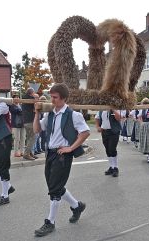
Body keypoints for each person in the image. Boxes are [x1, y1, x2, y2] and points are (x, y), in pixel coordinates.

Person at [33, 83, 90, 237]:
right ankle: (77, 206)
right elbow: (37, 130)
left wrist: (70, 148)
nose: (52, 100)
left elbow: (85, 132)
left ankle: (49, 222)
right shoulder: (49, 114)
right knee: (55, 186)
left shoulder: (73, 115)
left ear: (64, 98)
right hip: (50, 153)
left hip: (63, 154)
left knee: (54, 189)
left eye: (55, 97)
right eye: (51, 97)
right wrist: (37, 114)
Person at [95, 109, 122, 177]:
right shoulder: (101, 110)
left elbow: (118, 118)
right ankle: (111, 167)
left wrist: (113, 109)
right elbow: (97, 118)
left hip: (114, 132)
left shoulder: (115, 109)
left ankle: (115, 167)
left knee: (112, 148)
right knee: (107, 149)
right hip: (104, 131)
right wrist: (98, 127)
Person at [22, 88, 37, 160]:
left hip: (25, 121)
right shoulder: (32, 99)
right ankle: (26, 154)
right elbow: (36, 107)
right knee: (33, 137)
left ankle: (30, 153)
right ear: (31, 93)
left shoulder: (23, 99)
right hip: (31, 120)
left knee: (29, 138)